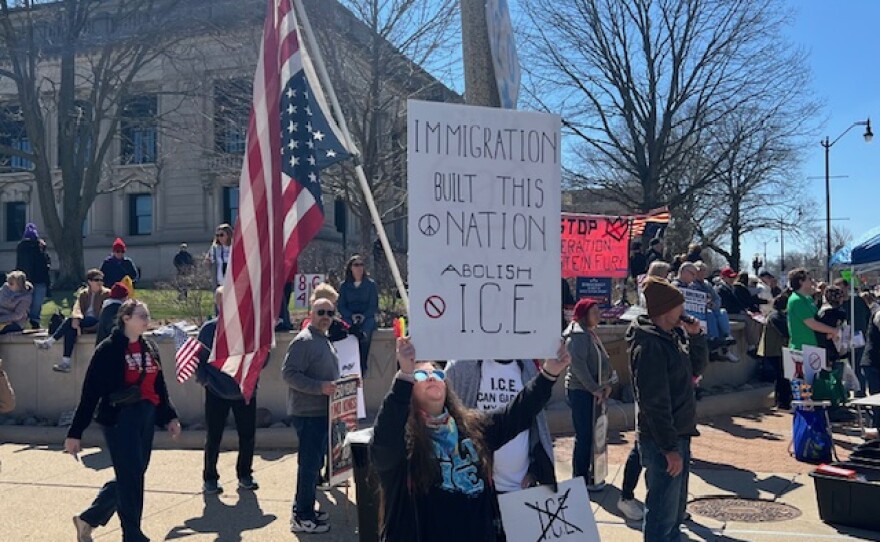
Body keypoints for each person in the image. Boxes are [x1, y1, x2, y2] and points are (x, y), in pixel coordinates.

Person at [370, 336, 570, 542]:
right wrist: (404, 374)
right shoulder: (403, 443)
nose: (432, 378)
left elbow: (516, 413)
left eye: (437, 373)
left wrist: (549, 373)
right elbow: (383, 441)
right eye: (420, 375)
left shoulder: (472, 428)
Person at [64, 299, 181, 542]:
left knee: (133, 474)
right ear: (126, 318)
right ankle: (132, 534)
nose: (146, 321)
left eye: (147, 316)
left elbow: (159, 386)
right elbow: (90, 394)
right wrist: (75, 432)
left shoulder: (150, 347)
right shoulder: (109, 350)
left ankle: (89, 519)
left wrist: (169, 416)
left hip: (146, 416)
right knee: (131, 477)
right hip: (119, 418)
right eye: (141, 316)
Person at [626, 277, 708, 541]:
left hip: (679, 432)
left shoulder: (672, 336)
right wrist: (669, 448)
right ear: (664, 310)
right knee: (661, 516)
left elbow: (697, 369)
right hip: (662, 441)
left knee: (673, 516)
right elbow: (654, 403)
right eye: (678, 305)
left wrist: (696, 338)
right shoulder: (649, 346)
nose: (683, 310)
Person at [446, 357, 557, 493]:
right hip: (479, 491)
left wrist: (535, 470)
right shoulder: (461, 366)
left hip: (520, 488)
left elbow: (535, 420)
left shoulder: (527, 365)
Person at [282, 294, 341, 533]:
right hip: (308, 413)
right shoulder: (304, 340)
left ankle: (306, 508)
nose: (325, 317)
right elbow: (289, 374)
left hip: (323, 411)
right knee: (308, 465)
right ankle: (301, 516)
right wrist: (319, 388)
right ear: (311, 314)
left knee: (314, 464)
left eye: (330, 313)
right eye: (321, 312)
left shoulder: (323, 339)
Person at [195, 287, 259, 494]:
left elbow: (261, 357)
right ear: (218, 304)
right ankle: (210, 478)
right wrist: (206, 381)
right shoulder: (209, 329)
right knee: (214, 436)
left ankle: (245, 474)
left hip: (244, 391)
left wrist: (252, 376)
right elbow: (198, 360)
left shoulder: (249, 328)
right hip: (216, 391)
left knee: (247, 435)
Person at [564, 297, 612, 491]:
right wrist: (594, 388)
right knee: (584, 435)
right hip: (581, 391)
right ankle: (580, 477)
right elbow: (578, 366)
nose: (598, 315)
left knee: (593, 434)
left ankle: (592, 473)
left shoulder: (589, 333)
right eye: (594, 312)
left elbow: (601, 360)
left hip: (593, 390)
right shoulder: (578, 335)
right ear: (584, 315)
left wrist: (606, 384)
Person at [34, 268, 110, 373]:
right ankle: (66, 362)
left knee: (70, 321)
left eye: (101, 280)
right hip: (83, 321)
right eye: (97, 280)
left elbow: (105, 313)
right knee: (70, 330)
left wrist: (75, 320)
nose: (100, 282)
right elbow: (77, 308)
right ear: (90, 281)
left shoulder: (106, 294)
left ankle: (49, 342)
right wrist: (76, 318)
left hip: (96, 322)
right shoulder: (83, 294)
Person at [337, 255, 378, 373]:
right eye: (356, 265)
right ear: (350, 268)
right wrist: (351, 316)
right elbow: (341, 306)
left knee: (365, 334)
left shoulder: (370, 285)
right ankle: (348, 364)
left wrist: (364, 315)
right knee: (349, 334)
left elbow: (373, 305)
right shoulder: (344, 286)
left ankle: (362, 364)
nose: (359, 268)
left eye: (361, 265)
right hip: (350, 317)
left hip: (367, 317)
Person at [786, 268, 837, 351]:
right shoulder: (796, 300)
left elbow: (817, 319)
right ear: (801, 281)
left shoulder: (808, 298)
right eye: (809, 279)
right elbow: (812, 324)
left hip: (813, 346)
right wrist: (833, 330)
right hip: (801, 348)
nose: (812, 281)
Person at [758, 293, 793, 409]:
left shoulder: (779, 315)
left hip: (778, 350)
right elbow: (786, 332)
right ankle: (782, 402)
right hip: (774, 351)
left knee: (783, 376)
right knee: (782, 376)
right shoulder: (775, 316)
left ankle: (783, 401)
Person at [16, 222, 51, 329]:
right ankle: (31, 320)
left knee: (31, 302)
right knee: (34, 303)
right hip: (33, 279)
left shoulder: (25, 247)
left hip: (31, 279)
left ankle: (31, 321)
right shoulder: (28, 247)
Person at [0, 270, 33, 335]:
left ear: (19, 285)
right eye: (8, 282)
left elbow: (18, 315)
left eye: (11, 283)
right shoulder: (4, 288)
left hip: (15, 322)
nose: (8, 285)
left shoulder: (26, 297)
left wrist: (1, 319)